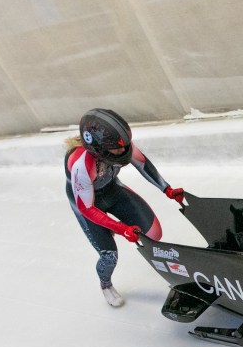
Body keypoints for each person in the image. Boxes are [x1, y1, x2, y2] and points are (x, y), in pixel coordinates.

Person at [65, 108, 185, 307]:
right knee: (109, 255)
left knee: (153, 233)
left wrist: (167, 189)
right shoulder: (80, 164)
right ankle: (105, 284)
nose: (124, 151)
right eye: (118, 149)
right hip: (87, 205)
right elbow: (87, 208)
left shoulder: (121, 145)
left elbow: (143, 164)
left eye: (126, 145)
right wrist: (119, 228)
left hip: (112, 191)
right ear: (98, 148)